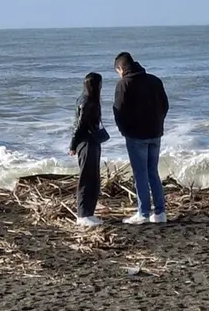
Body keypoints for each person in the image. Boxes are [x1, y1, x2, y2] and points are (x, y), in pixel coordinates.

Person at [112, 52, 169, 225]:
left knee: (140, 174)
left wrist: (124, 130)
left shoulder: (124, 84)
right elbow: (165, 105)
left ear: (121, 68)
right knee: (153, 172)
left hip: (136, 135)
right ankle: (160, 212)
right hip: (155, 132)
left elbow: (118, 111)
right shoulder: (154, 80)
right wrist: (158, 122)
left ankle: (143, 212)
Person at [69, 72, 108, 228]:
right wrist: (72, 145)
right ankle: (83, 215)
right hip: (86, 143)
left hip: (90, 142)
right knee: (87, 178)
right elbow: (79, 126)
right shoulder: (87, 102)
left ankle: (89, 213)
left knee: (93, 178)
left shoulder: (87, 99)